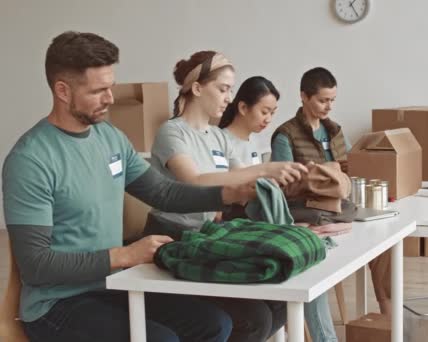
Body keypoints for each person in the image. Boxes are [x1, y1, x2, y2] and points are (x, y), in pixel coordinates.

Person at [2, 31, 258, 342]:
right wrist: (124, 255)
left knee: (215, 324)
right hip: (57, 305)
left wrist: (228, 194)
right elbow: (36, 266)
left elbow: (163, 192)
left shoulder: (110, 137)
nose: (110, 98)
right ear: (62, 91)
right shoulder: (31, 159)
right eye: (99, 90)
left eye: (111, 86)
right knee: (161, 339)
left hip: (113, 285)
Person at [144, 52, 309, 342]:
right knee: (254, 319)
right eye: (223, 89)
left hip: (206, 235)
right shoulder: (171, 133)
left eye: (231, 90)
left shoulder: (218, 137)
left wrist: (277, 183)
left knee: (280, 303)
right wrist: (264, 169)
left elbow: (242, 182)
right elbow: (195, 183)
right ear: (196, 88)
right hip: (171, 237)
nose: (228, 98)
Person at [219, 75, 339, 342]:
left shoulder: (251, 144)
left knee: (313, 251)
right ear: (242, 107)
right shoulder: (222, 141)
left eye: (272, 113)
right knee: (306, 256)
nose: (268, 119)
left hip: (260, 223)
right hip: (242, 226)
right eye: (264, 111)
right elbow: (237, 195)